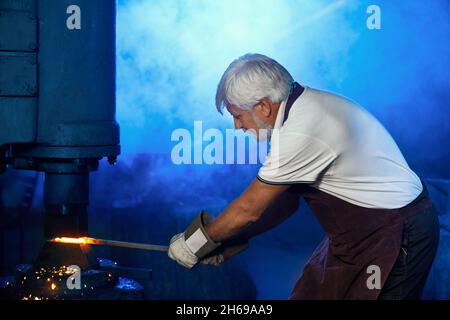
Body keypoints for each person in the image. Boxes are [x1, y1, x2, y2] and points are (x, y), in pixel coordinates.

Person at [167, 53, 440, 300]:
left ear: (263, 106)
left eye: (238, 116)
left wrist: (193, 244)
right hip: (357, 234)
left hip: (398, 232)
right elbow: (286, 204)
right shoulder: (298, 110)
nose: (237, 127)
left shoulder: (300, 131)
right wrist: (233, 239)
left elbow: (249, 209)